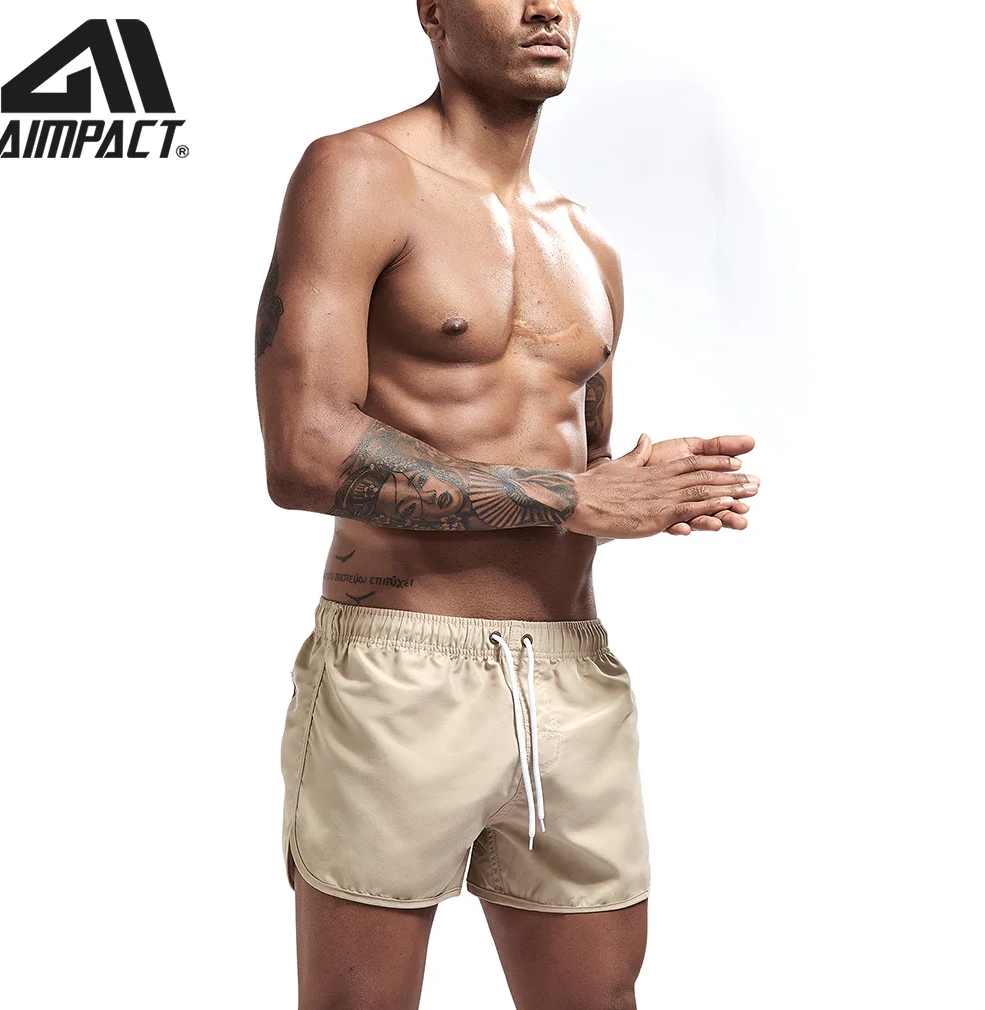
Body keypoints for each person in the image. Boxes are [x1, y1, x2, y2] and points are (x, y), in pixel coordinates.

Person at [255, 2, 761, 1007]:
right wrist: (571, 495)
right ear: (432, 12)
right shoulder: (357, 175)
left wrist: (640, 490)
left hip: (571, 677)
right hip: (401, 674)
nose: (546, 8)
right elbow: (304, 448)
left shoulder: (588, 244)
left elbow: (585, 471)